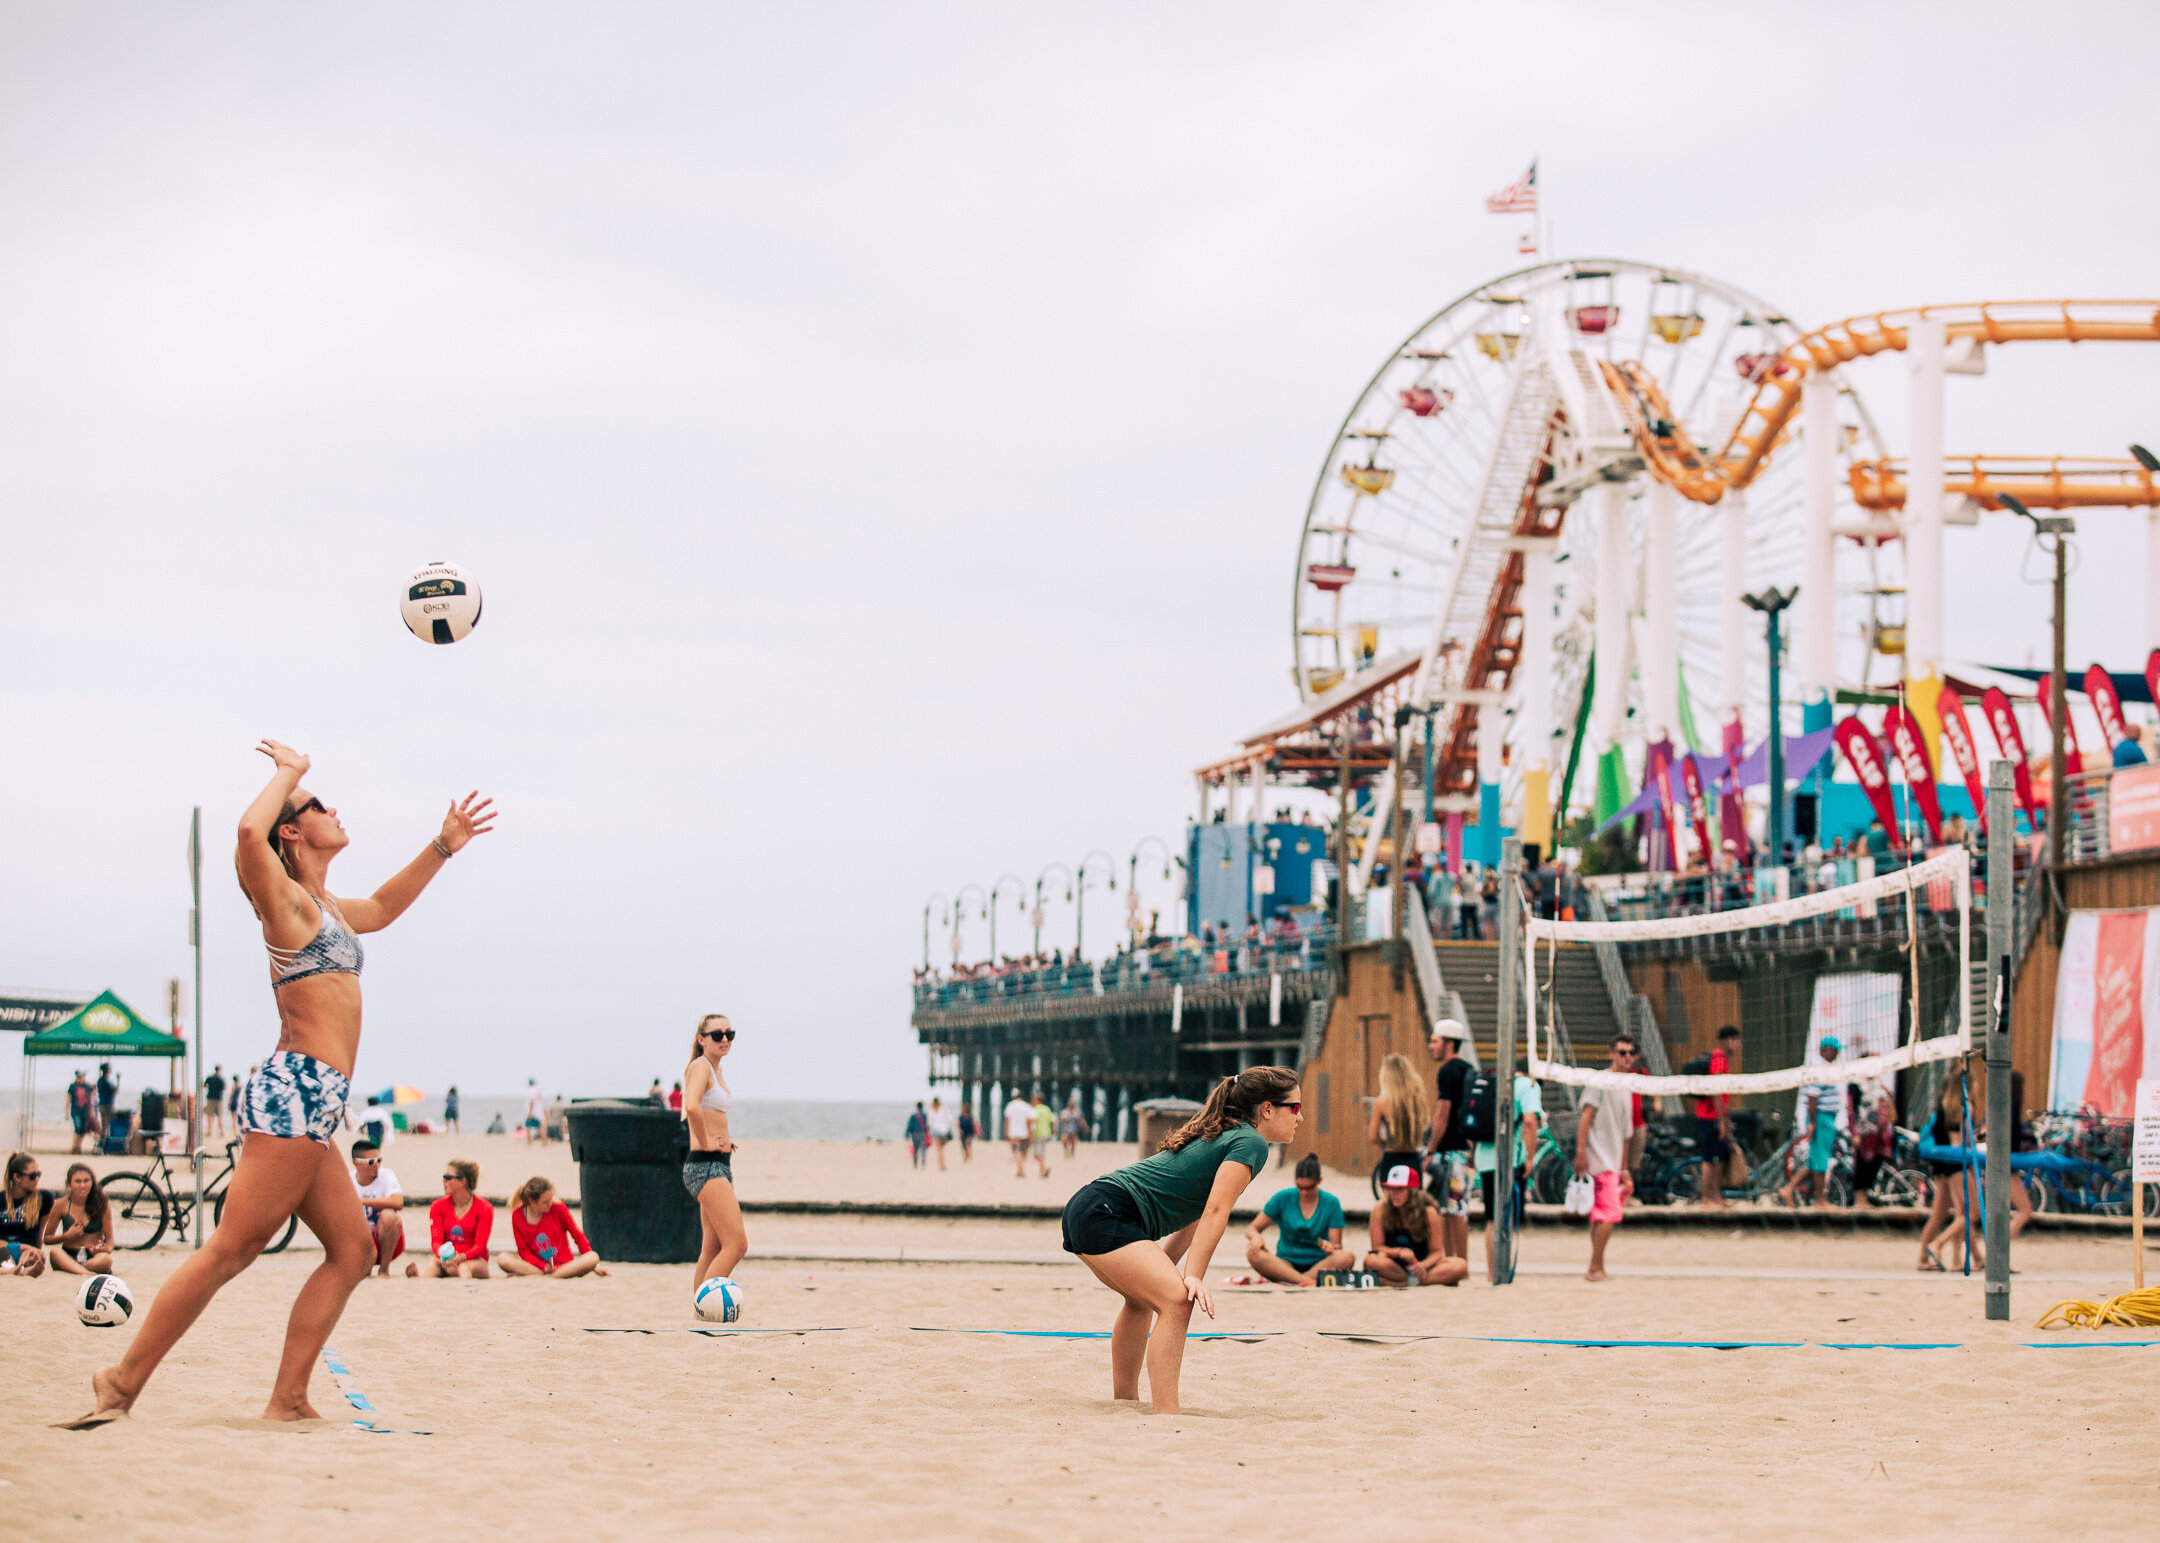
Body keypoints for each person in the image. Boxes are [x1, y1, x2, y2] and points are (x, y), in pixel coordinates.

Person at [70, 741, 493, 1428]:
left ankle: (289, 1397)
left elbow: (384, 905)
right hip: (295, 1089)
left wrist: (442, 846)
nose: (334, 809)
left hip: (318, 1098)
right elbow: (247, 834)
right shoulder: (285, 903)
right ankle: (120, 1379)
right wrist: (289, 773)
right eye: (318, 806)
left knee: (353, 1250)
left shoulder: (324, 906)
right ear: (292, 830)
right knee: (232, 1248)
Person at [1061, 1067, 1303, 1413]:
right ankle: (1167, 1413)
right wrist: (1193, 1277)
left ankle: (1125, 1402)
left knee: (1142, 1300)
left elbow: (1197, 1214)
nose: (1301, 1117)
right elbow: (1218, 1211)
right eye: (1294, 1108)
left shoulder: (1230, 1135)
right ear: (1267, 1109)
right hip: (1107, 1211)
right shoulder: (1251, 1141)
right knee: (1178, 1302)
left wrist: (1172, 1267)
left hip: (1089, 1205)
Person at [683, 1013, 748, 1297]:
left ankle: (700, 1314)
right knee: (737, 1244)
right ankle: (706, 1303)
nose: (724, 1039)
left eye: (729, 1034)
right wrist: (706, 1140)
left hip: (718, 1163)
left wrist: (723, 1140)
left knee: (713, 1245)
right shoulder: (701, 1066)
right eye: (717, 1035)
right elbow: (692, 1107)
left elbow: (710, 1111)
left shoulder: (716, 1070)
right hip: (705, 1165)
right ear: (701, 1040)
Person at [1474, 1059, 1544, 1284]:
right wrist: (1531, 1157)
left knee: (1491, 1218)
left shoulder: (1498, 1082)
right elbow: (1530, 1121)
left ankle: (1492, 1272)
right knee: (1504, 1216)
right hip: (1508, 1160)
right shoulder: (1529, 1085)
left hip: (1485, 1158)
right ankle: (1500, 1273)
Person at [1576, 1035, 1636, 1282]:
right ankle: (1594, 1267)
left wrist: (1624, 1169)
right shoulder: (1600, 1081)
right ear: (1612, 1054)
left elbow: (1625, 1133)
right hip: (1598, 1159)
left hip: (1612, 1161)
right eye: (1622, 1052)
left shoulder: (1627, 1085)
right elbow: (1586, 1116)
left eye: (1631, 1052)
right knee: (1609, 1213)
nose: (1628, 1057)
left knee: (1601, 1214)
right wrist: (1581, 1152)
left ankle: (1597, 1265)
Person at [1243, 1153, 1354, 1285]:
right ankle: (1307, 1282)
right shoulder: (1282, 1198)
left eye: (1308, 1188)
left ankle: (1295, 1280)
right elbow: (1252, 1228)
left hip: (1318, 1263)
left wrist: (1330, 1247)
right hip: (1285, 1262)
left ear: (1319, 1181)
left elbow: (1337, 1247)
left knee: (1347, 1257)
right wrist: (1256, 1237)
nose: (1304, 1192)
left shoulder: (1331, 1202)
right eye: (1300, 1187)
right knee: (1253, 1253)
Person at [1422, 1021, 1474, 1260]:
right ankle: (1459, 1261)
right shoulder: (1468, 1069)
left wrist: (1430, 1149)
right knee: (1458, 1208)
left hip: (1449, 1151)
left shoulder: (1447, 1071)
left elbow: (1442, 1114)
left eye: (1435, 1041)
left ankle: (1452, 1261)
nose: (1431, 1046)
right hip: (1465, 1151)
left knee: (1447, 1209)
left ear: (1449, 1044)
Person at [1366, 1164, 1468, 1287]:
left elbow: (1436, 1252)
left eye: (1400, 1189)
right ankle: (1415, 1281)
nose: (1394, 1193)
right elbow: (1377, 1247)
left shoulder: (1429, 1212)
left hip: (1421, 1265)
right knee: (1371, 1260)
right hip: (1393, 1264)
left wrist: (1423, 1265)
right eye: (1391, 1188)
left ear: (1412, 1191)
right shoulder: (1380, 1209)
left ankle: (1401, 1283)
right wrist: (1398, 1252)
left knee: (1460, 1265)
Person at [1918, 1069, 1976, 1271]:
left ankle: (1933, 1259)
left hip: (1942, 1166)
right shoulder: (1964, 1106)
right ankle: (1938, 1244)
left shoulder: (1942, 1108)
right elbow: (1965, 1141)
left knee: (1941, 1214)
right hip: (1957, 1164)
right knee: (1970, 1213)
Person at [1778, 1038, 1843, 1209]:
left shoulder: (1822, 1066)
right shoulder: (1818, 1067)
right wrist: (1813, 1122)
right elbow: (1812, 1097)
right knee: (1820, 1159)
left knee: (1815, 1160)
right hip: (1820, 1118)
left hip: (1824, 1118)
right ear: (1827, 1049)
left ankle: (1788, 1189)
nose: (1837, 1055)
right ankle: (1820, 1201)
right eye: (1835, 1051)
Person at [497, 1176, 606, 1278]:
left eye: (551, 1199)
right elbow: (523, 1251)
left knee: (593, 1257)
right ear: (532, 1202)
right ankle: (548, 1276)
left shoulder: (558, 1208)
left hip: (564, 1266)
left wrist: (595, 1267)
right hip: (536, 1267)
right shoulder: (517, 1215)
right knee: (503, 1259)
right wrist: (541, 1265)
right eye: (545, 1202)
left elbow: (578, 1237)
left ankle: (550, 1276)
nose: (550, 1203)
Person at [409, 1159, 493, 1278]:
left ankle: (461, 1283)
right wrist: (444, 1256)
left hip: (475, 1260)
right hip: (446, 1258)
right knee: (433, 1264)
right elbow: (436, 1241)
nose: (444, 1181)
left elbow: (479, 1246)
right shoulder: (437, 1206)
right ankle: (419, 1278)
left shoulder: (484, 1208)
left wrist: (462, 1257)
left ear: (463, 1181)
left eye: (448, 1178)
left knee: (463, 1268)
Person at [1366, 1051, 1431, 1189]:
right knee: (1413, 1206)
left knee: (1391, 1206)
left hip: (1392, 1157)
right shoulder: (1417, 1100)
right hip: (1413, 1157)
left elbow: (1372, 1137)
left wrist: (1386, 1141)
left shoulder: (1382, 1103)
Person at [1695, 1025, 1740, 1209]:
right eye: (1736, 1040)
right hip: (1709, 1117)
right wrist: (1721, 1120)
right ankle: (1706, 1198)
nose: (1737, 1044)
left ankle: (1716, 1196)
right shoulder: (1719, 1059)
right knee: (1709, 1158)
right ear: (1727, 1041)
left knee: (1718, 1157)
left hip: (1716, 1116)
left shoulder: (1721, 1059)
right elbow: (1715, 1091)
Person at [43, 1163, 114, 1276]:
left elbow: (110, 1240)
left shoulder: (102, 1204)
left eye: (86, 1181)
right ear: (69, 1184)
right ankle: (85, 1272)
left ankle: (79, 1269)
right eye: (78, 1181)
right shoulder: (60, 1204)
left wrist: (106, 1248)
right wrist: (66, 1236)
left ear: (92, 1182)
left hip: (93, 1255)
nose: (83, 1185)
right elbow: (47, 1239)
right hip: (69, 1253)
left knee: (106, 1260)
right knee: (54, 1253)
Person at [349, 1138, 405, 1276]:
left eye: (379, 1160)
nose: (376, 1165)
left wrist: (361, 1201)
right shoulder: (348, 1180)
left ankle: (384, 1270)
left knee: (389, 1216)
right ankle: (364, 1268)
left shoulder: (386, 1175)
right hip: (360, 1241)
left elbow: (398, 1202)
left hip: (386, 1241)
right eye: (371, 1162)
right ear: (356, 1163)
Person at [2, 1152, 51, 1277]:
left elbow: (39, 1237)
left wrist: (33, 1251)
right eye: (32, 1176)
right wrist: (22, 1247)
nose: (37, 1179)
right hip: (4, 1249)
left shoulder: (44, 1199)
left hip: (29, 1252)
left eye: (38, 1174)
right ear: (16, 1177)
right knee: (3, 1253)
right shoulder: (1, 1200)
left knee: (35, 1256)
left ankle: (20, 1269)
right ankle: (15, 1270)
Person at [1003, 1090, 1034, 1177]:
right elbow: (1029, 1121)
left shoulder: (1010, 1106)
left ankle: (1020, 1169)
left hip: (1014, 1133)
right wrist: (1031, 1133)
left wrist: (1006, 1132)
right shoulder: (1027, 1106)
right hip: (1024, 1132)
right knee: (1023, 1151)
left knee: (1016, 1151)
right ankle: (1020, 1169)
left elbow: (1007, 1120)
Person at [67, 1070, 95, 1154]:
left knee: (83, 1129)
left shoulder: (87, 1086)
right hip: (76, 1110)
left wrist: (92, 1110)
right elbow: (68, 1099)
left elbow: (91, 1098)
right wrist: (66, 1112)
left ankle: (78, 1146)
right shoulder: (73, 1086)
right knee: (77, 1128)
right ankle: (75, 1146)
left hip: (85, 1111)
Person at [1030, 1091, 1056, 1178]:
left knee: (1037, 1154)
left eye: (1034, 1100)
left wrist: (1031, 1134)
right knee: (1042, 1153)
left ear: (1037, 1100)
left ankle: (1044, 1168)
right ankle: (1041, 1172)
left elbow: (1033, 1122)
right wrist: (1053, 1131)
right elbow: (1053, 1121)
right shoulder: (1047, 1109)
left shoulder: (1036, 1109)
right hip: (1047, 1133)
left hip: (1038, 1133)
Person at [202, 1064, 228, 1142]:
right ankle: (221, 1131)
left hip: (210, 1098)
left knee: (210, 1115)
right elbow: (224, 1088)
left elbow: (204, 1085)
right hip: (218, 1099)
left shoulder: (210, 1078)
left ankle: (210, 1130)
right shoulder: (221, 1079)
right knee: (220, 1115)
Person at [95, 1062, 118, 1145]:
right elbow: (114, 1091)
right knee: (106, 1126)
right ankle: (103, 1144)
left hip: (102, 1104)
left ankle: (103, 1143)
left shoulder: (100, 1081)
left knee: (105, 1125)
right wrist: (119, 1080)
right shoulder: (106, 1081)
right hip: (107, 1105)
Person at [928, 1097, 953, 1169]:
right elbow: (950, 1119)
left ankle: (941, 1164)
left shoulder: (931, 1109)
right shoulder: (944, 1108)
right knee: (942, 1148)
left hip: (935, 1130)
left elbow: (929, 1122)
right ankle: (942, 1164)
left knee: (938, 1149)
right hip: (944, 1130)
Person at [905, 1102, 928, 1169]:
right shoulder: (924, 1115)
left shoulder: (913, 1115)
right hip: (922, 1134)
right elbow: (927, 1126)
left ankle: (915, 1164)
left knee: (915, 1150)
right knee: (923, 1150)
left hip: (914, 1134)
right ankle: (923, 1165)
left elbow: (909, 1126)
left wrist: (907, 1134)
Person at [524, 1079, 547, 1145]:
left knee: (528, 1127)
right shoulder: (537, 1090)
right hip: (538, 1113)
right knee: (540, 1127)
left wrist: (529, 1113)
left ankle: (529, 1142)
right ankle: (545, 1141)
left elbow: (532, 1102)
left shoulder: (532, 1091)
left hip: (533, 1113)